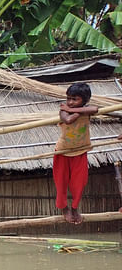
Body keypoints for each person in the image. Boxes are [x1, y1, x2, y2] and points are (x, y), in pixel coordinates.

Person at [53, 82, 97, 224]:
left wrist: (81, 110)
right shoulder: (63, 110)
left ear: (84, 100)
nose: (70, 103)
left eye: (75, 99)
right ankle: (64, 208)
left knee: (79, 182)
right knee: (61, 182)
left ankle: (74, 208)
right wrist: (80, 110)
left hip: (80, 151)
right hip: (63, 151)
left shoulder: (87, 109)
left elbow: (95, 109)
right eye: (69, 99)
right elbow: (68, 120)